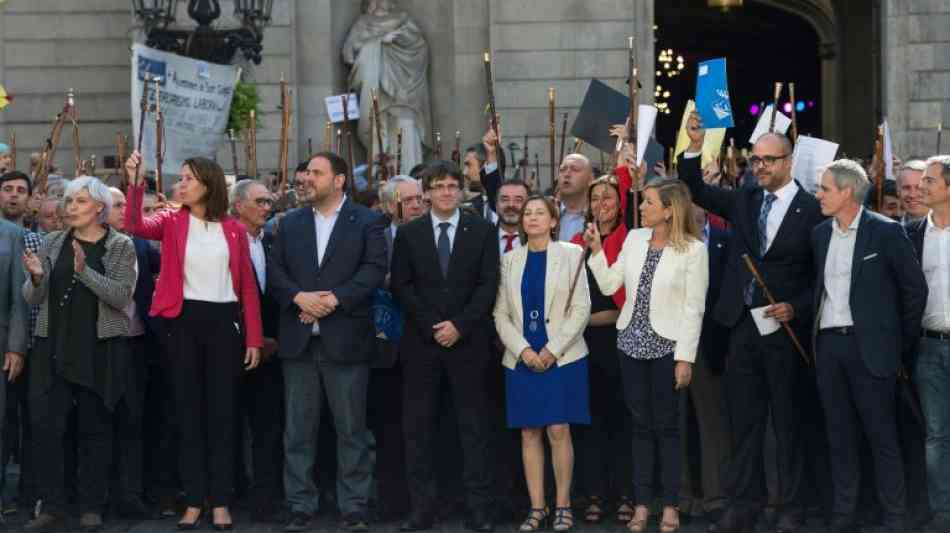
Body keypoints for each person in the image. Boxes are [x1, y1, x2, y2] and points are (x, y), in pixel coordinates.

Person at [680, 113, 823, 533]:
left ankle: (790, 506)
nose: (759, 166)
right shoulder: (744, 199)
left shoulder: (812, 209)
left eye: (769, 160)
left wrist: (795, 306)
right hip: (741, 327)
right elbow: (696, 189)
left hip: (786, 331)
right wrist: (694, 144)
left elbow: (821, 276)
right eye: (755, 159)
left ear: (788, 161)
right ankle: (743, 504)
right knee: (743, 421)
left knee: (787, 422)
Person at [124, 150, 262, 530]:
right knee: (187, 414)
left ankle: (220, 500)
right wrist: (135, 182)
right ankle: (194, 499)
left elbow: (248, 289)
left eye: (187, 178)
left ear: (208, 184)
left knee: (223, 415)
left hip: (223, 325)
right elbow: (134, 224)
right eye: (179, 178)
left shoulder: (234, 229)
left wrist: (252, 337)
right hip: (182, 324)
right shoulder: (171, 220)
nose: (179, 184)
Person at [268, 152, 387, 532]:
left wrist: (331, 301)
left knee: (352, 430)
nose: (307, 179)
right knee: (297, 431)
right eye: (306, 174)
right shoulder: (290, 223)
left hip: (346, 340)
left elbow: (373, 269)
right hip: (299, 342)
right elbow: (275, 270)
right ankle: (299, 503)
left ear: (339, 180)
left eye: (316, 174)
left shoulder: (366, 221)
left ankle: (355, 505)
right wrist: (300, 299)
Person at [585, 177, 708, 533]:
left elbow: (693, 309)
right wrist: (596, 251)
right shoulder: (635, 239)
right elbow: (610, 285)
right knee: (639, 427)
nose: (640, 207)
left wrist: (685, 358)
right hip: (630, 344)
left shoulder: (693, 251)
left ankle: (669, 505)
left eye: (649, 202)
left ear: (669, 210)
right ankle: (641, 505)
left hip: (668, 348)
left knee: (667, 428)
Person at [811, 159, 927, 532]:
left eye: (825, 188)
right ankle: (845, 514)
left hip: (873, 350)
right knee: (839, 436)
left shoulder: (887, 232)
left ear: (847, 192)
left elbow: (913, 292)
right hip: (829, 347)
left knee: (882, 437)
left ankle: (894, 515)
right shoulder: (819, 235)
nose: (819, 195)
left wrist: (897, 344)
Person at [21, 177, 136, 532]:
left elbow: (120, 296)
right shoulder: (52, 242)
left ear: (99, 208)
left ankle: (91, 506)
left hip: (98, 348)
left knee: (95, 429)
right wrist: (37, 279)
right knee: (46, 428)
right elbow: (32, 299)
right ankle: (52, 505)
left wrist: (84, 271)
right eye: (68, 200)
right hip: (52, 346)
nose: (70, 207)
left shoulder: (120, 245)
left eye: (80, 201)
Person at [390, 160, 499, 532]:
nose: (447, 192)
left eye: (453, 185)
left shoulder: (482, 231)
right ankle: (423, 508)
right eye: (439, 186)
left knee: (474, 429)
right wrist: (433, 325)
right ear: (427, 192)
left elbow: (488, 284)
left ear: (461, 190)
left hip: (469, 344)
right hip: (422, 345)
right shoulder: (410, 233)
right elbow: (401, 286)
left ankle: (479, 509)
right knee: (418, 430)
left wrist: (460, 325)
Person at [494, 195, 591, 532]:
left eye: (540, 213)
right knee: (529, 430)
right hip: (521, 357)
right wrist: (523, 351)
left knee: (559, 428)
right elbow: (500, 313)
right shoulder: (508, 260)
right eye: (527, 213)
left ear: (553, 221)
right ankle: (538, 506)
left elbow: (581, 309)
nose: (532, 218)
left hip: (563, 357)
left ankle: (563, 504)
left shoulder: (571, 254)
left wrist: (551, 350)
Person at [567, 172, 634, 525]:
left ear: (621, 201)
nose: (601, 204)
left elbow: (623, 298)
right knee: (590, 421)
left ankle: (625, 492)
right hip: (584, 344)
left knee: (621, 419)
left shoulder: (629, 239)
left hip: (618, 341)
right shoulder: (578, 241)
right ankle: (594, 493)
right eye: (595, 199)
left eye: (608, 197)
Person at [230, 179, 284, 522]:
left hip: (273, 351)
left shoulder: (273, 243)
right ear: (239, 205)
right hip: (231, 349)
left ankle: (266, 499)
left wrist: (272, 339)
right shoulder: (223, 241)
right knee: (230, 426)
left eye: (269, 201)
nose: (268, 207)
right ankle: (229, 494)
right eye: (260, 201)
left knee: (268, 427)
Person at [103, 187, 152, 519]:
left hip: (136, 344)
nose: (124, 210)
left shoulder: (140, 244)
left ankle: (131, 493)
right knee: (100, 425)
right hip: (100, 347)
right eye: (116, 205)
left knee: (134, 423)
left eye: (125, 204)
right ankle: (100, 495)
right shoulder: (89, 247)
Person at [907, 155, 950, 532]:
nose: (921, 187)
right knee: (936, 434)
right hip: (928, 348)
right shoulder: (912, 234)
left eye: (930, 181)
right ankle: (942, 512)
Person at [556, 155, 595, 241]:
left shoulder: (598, 215)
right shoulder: (548, 213)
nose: (566, 174)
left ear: (590, 179)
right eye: (562, 170)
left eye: (575, 169)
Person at [495, 179, 529, 256]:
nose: (511, 205)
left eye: (518, 200)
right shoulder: (481, 239)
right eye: (505, 199)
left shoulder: (539, 242)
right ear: (496, 206)